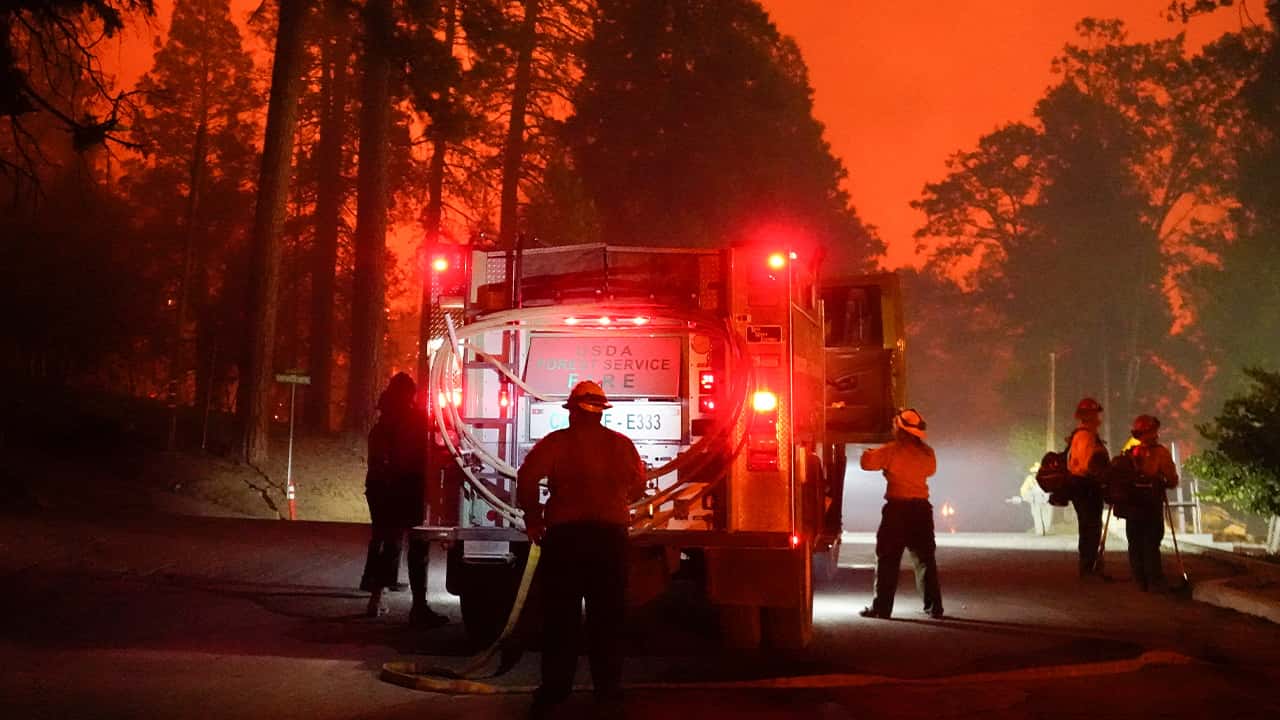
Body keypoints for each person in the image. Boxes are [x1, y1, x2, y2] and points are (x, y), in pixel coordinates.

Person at [516, 380, 646, 718]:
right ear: (601, 413)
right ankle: (608, 692)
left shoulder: (556, 443)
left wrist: (533, 518)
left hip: (566, 541)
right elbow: (639, 484)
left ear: (572, 411)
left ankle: (555, 691)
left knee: (561, 620)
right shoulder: (622, 446)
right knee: (608, 620)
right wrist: (615, 504)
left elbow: (527, 476)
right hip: (610, 540)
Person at [359, 372, 448, 627]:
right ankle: (418, 607)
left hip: (379, 488)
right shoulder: (417, 420)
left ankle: (375, 598)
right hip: (408, 487)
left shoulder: (382, 423)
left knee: (386, 540)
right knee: (417, 547)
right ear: (411, 394)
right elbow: (433, 449)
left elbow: (376, 458)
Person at [858, 408, 943, 620]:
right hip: (922, 511)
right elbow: (930, 470)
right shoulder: (928, 454)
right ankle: (934, 607)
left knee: (888, 560)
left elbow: (866, 463)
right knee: (925, 560)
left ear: (901, 429)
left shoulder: (892, 450)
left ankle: (882, 608)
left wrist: (868, 451)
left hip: (897, 510)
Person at [1119, 415, 1178, 591]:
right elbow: (1172, 479)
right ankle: (1155, 580)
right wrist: (1166, 482)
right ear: (1152, 432)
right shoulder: (1160, 453)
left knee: (1135, 542)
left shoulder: (1129, 453)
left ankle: (1139, 579)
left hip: (1132, 506)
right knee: (1151, 542)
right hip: (1151, 505)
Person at [1066, 397, 1109, 578]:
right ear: (1088, 416)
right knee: (1090, 527)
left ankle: (1089, 565)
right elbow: (1085, 465)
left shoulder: (1086, 434)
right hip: (1086, 485)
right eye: (1095, 413)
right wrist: (1101, 476)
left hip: (1085, 485)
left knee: (1089, 526)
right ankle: (1088, 567)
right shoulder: (1085, 436)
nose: (1098, 417)